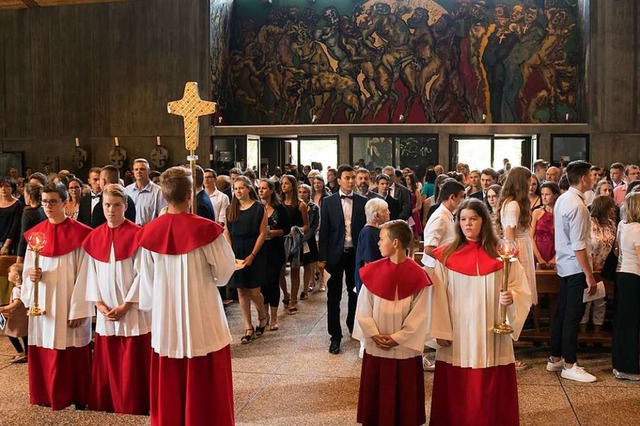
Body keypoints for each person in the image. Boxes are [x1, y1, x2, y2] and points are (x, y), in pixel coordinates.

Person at [137, 166, 236, 425]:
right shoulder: (207, 230)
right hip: (202, 314)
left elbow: (146, 282)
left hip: (166, 319)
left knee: (169, 376)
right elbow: (225, 273)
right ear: (190, 193)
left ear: (164, 195)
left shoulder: (149, 233)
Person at [429, 199, 532, 426]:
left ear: (484, 221)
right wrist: (441, 330)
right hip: (458, 332)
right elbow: (437, 297)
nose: (468, 224)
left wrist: (511, 297)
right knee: (457, 382)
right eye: (463, 219)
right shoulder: (446, 257)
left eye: (473, 219)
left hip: (490, 331)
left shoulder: (502, 255)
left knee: (489, 379)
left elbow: (520, 288)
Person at [21, 182, 94, 410]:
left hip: (69, 302)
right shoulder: (36, 236)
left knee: (72, 349)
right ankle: (45, 394)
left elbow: (86, 275)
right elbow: (26, 271)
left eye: (53, 201)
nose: (48, 206)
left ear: (65, 202)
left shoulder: (81, 235)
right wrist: (30, 276)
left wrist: (80, 309)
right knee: (44, 344)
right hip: (43, 302)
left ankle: (76, 395)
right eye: (44, 202)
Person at [81, 184, 151, 414]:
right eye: (107, 205)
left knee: (133, 359)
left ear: (126, 206)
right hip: (106, 310)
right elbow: (90, 274)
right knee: (108, 358)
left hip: (131, 310)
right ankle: (108, 401)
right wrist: (99, 303)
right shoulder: (94, 237)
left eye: (117, 205)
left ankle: (135, 402)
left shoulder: (138, 235)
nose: (111, 210)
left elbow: (144, 275)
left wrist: (127, 304)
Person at [353, 220, 431, 426]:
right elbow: (363, 307)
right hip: (377, 347)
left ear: (395, 243)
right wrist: (373, 334)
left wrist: (397, 339)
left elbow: (420, 315)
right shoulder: (372, 272)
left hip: (404, 350)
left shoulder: (418, 276)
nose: (378, 243)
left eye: (381, 238)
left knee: (404, 405)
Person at [548, 160, 598, 383]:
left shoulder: (563, 199)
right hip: (575, 267)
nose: (593, 178)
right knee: (572, 317)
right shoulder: (577, 205)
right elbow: (578, 245)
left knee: (563, 313)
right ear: (584, 178)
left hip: (564, 265)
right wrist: (589, 274)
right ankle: (569, 364)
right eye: (591, 175)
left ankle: (555, 357)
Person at [319, 164, 367, 355]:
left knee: (355, 292)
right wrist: (322, 258)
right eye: (347, 178)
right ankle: (335, 336)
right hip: (335, 254)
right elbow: (323, 232)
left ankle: (352, 324)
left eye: (352, 177)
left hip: (355, 255)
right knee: (334, 296)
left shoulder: (363, 201)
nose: (351, 181)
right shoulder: (328, 202)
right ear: (338, 180)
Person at [225, 175, 268, 342]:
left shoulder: (258, 208)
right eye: (235, 189)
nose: (238, 191)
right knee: (241, 290)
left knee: (254, 291)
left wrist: (252, 255)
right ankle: (248, 326)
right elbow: (226, 231)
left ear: (249, 188)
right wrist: (231, 254)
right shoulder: (231, 208)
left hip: (253, 250)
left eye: (241, 188)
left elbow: (262, 233)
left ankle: (262, 316)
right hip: (236, 251)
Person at [612, 192, 640, 380]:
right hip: (633, 277)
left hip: (621, 274)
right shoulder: (638, 228)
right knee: (632, 323)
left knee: (622, 321)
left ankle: (618, 365)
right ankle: (629, 368)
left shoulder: (622, 225)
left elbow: (617, 250)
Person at [580, 195, 616, 334]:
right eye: (610, 207)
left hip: (605, 268)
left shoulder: (612, 224)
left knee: (600, 302)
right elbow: (588, 244)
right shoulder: (590, 223)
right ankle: (583, 334)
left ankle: (596, 334)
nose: (613, 210)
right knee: (587, 301)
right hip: (590, 266)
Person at [258, 179, 290, 331]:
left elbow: (287, 229)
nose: (261, 191)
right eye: (259, 188)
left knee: (273, 281)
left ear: (271, 190)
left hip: (275, 249)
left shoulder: (279, 208)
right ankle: (264, 315)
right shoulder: (257, 207)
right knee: (262, 283)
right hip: (260, 250)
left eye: (264, 188)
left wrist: (272, 232)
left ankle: (274, 315)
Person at [279, 174, 309, 312]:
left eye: (286, 183)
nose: (283, 186)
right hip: (281, 240)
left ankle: (292, 300)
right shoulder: (278, 204)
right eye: (282, 183)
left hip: (296, 241)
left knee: (295, 271)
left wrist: (297, 230)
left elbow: (306, 225)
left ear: (292, 185)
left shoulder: (300, 205)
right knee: (280, 270)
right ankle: (286, 294)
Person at [422, 180, 466, 268]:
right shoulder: (440, 217)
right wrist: (450, 261)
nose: (464, 200)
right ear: (452, 197)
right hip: (435, 268)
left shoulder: (447, 214)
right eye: (462, 197)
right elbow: (429, 248)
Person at [355, 198, 389, 293]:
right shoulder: (368, 232)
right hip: (370, 283)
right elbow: (368, 262)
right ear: (377, 215)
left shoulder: (376, 230)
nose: (389, 212)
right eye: (386, 210)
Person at [124, 158, 167, 225]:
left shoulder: (158, 191)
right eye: (136, 169)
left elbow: (162, 215)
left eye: (142, 169)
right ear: (133, 172)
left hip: (150, 231)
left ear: (148, 171)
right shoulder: (127, 190)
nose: (139, 171)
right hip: (131, 231)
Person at [0, 263, 28, 363]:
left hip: (17, 317)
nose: (8, 273)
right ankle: (27, 353)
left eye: (10, 272)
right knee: (25, 334)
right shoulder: (24, 287)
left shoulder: (16, 289)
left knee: (10, 333)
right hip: (24, 316)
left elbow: (17, 303)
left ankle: (21, 352)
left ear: (17, 276)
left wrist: (3, 308)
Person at [297, 184, 320, 297]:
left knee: (308, 264)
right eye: (300, 192)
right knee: (296, 266)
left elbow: (314, 225)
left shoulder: (314, 208)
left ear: (309, 193)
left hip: (308, 238)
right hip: (297, 239)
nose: (302, 194)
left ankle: (306, 289)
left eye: (304, 192)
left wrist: (306, 237)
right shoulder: (296, 205)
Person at [530, 182, 560, 268]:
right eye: (542, 194)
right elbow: (531, 237)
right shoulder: (536, 212)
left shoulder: (560, 213)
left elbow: (564, 238)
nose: (544, 197)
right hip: (538, 250)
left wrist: (555, 258)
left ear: (555, 195)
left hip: (556, 250)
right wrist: (539, 258)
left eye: (547, 194)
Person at [16, 182, 47, 264]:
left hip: (31, 251)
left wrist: (18, 261)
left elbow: (24, 238)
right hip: (44, 249)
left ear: (29, 196)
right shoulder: (44, 210)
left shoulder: (28, 213)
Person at [0, 178, 24, 255]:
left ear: (12, 188)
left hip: (9, 242)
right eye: (1, 186)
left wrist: (6, 245)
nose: (3, 189)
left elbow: (15, 226)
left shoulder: (18, 204)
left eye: (7, 186)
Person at [404, 173, 423, 239]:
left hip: (413, 212)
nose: (407, 181)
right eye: (406, 179)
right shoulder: (404, 190)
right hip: (406, 213)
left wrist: (413, 211)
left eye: (408, 179)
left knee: (415, 233)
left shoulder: (416, 191)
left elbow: (419, 205)